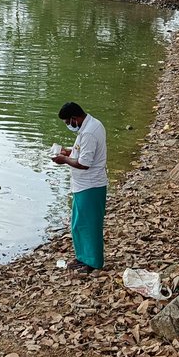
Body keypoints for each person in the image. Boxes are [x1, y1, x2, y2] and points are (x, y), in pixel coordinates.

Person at [51, 102, 108, 271]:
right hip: (81, 185)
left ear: (74, 118)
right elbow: (81, 152)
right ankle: (82, 257)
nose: (68, 126)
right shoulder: (88, 126)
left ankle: (93, 262)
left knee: (89, 225)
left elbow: (84, 163)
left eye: (68, 122)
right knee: (78, 224)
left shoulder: (90, 132)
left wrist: (64, 160)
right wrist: (67, 152)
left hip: (90, 185)